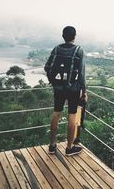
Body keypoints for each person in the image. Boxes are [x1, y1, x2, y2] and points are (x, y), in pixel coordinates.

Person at [44, 26, 87, 156]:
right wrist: (84, 91)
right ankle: (69, 148)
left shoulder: (56, 49)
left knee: (56, 113)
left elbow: (47, 67)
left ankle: (52, 145)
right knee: (72, 116)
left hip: (58, 88)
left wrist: (54, 81)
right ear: (74, 36)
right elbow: (82, 74)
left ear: (63, 36)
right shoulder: (79, 50)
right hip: (73, 89)